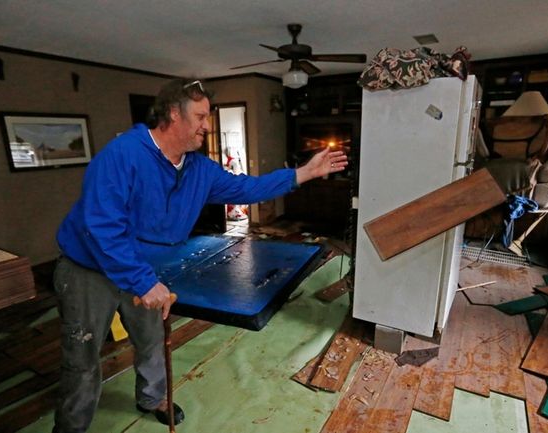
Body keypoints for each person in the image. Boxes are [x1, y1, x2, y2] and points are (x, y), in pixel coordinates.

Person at [51, 78, 347, 433]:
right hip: (88, 270)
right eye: (201, 116)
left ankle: (152, 397)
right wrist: (143, 281)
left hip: (143, 269)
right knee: (82, 360)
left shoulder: (198, 168)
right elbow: (101, 228)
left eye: (209, 116)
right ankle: (70, 428)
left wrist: (303, 173)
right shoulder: (122, 156)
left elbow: (245, 188)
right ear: (173, 114)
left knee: (152, 341)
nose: (207, 126)